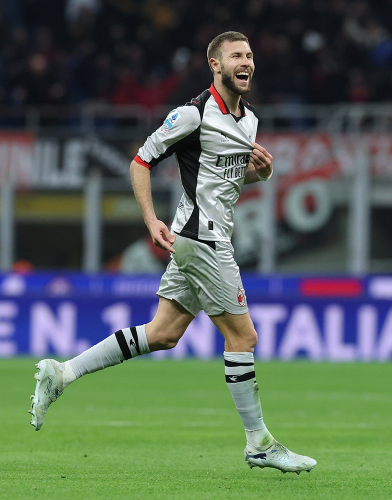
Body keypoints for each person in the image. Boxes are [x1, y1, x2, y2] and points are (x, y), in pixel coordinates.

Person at [29, 31, 316, 474]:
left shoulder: (249, 120)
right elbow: (140, 162)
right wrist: (150, 220)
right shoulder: (192, 114)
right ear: (215, 65)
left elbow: (226, 180)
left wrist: (263, 172)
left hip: (204, 236)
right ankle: (259, 443)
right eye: (236, 56)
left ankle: (63, 372)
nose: (246, 62)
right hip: (202, 239)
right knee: (243, 339)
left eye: (249, 55)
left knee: (163, 333)